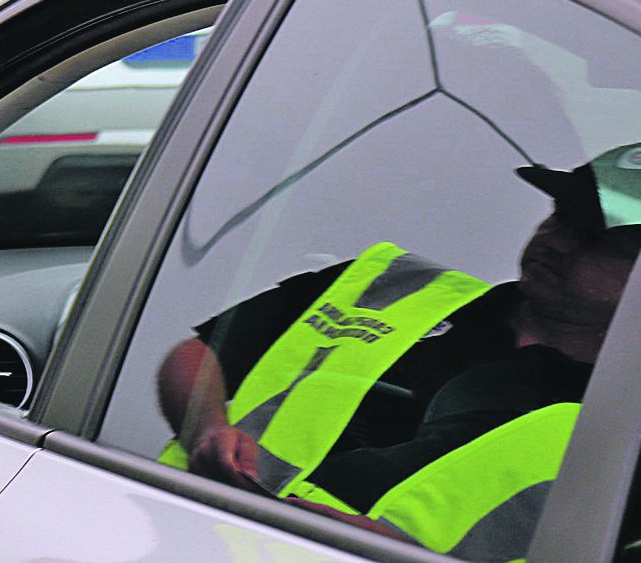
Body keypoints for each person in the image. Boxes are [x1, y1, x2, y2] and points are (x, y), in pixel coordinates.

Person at [157, 145, 641, 557]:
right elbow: (199, 355)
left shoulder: (627, 422)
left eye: (595, 239)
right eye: (559, 216)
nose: (555, 242)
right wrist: (208, 429)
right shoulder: (390, 286)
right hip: (182, 539)